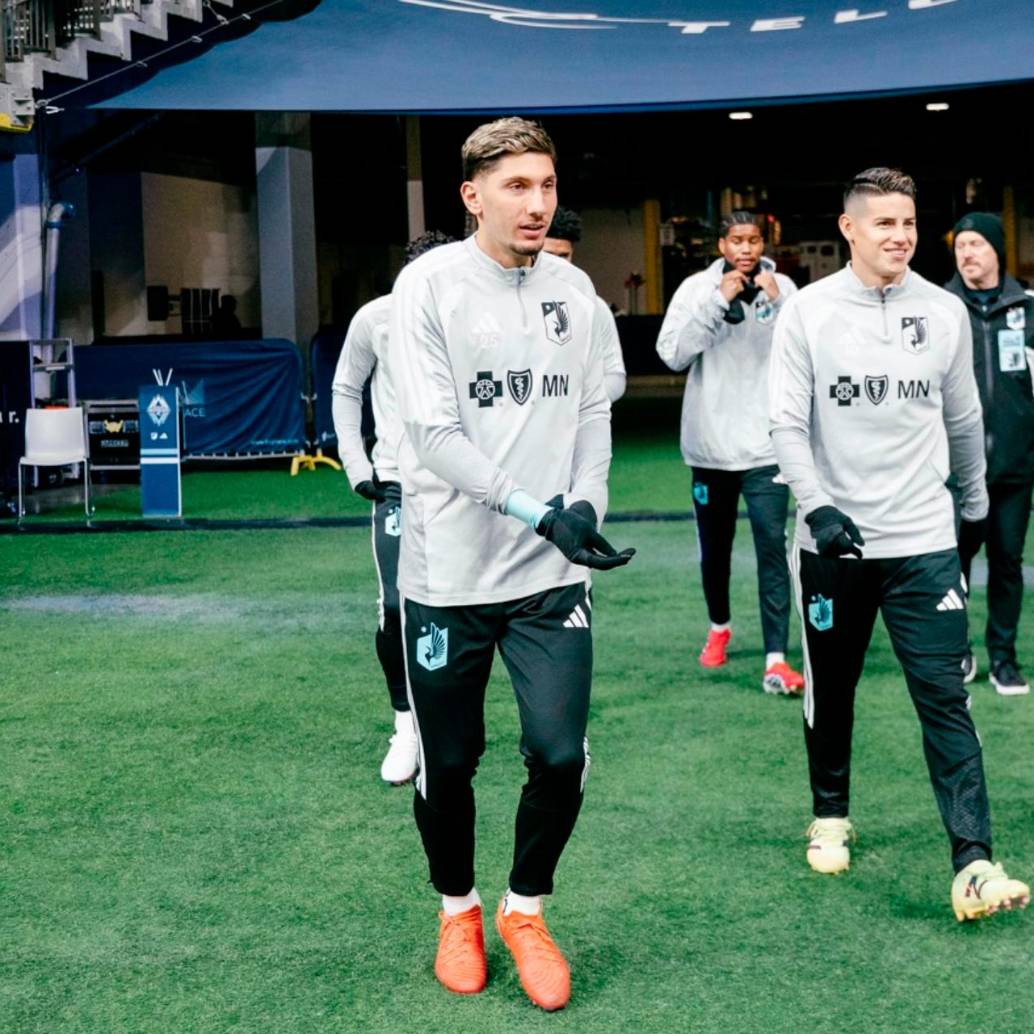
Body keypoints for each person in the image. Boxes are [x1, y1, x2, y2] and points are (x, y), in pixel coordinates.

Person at [389, 117, 634, 1011]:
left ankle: (524, 910)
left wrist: (585, 505)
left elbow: (594, 409)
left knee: (561, 756)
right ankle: (456, 909)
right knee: (449, 765)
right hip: (448, 575)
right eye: (516, 186)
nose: (537, 204)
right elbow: (434, 435)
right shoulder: (428, 288)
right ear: (472, 196)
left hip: (549, 579)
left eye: (546, 185)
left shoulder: (576, 290)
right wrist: (538, 511)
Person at [769, 167, 1029, 921]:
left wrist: (972, 505)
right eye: (884, 222)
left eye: (909, 222)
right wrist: (818, 508)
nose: (900, 235)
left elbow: (963, 418)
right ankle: (830, 813)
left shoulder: (943, 312)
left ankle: (974, 862)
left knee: (946, 697)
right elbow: (786, 423)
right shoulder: (808, 312)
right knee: (833, 688)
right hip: (834, 545)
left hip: (922, 541)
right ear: (848, 229)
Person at [655, 211, 804, 695]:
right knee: (714, 550)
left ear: (763, 244)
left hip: (766, 447)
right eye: (736, 240)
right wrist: (718, 302)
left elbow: (808, 350)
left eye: (753, 240)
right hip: (711, 448)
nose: (745, 248)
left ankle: (776, 657)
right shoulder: (696, 289)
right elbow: (672, 354)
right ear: (722, 245)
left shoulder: (783, 288)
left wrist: (779, 303)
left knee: (772, 549)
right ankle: (719, 627)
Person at [331, 231, 456, 785]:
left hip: (463, 488)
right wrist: (357, 465)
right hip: (399, 486)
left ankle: (445, 720)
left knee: (469, 606)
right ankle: (405, 725)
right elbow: (345, 388)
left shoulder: (471, 317)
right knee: (395, 605)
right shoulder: (377, 319)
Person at [944, 212, 1034, 696]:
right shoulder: (940, 309)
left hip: (1015, 469)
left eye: (976, 244)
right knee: (952, 565)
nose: (967, 253)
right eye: (961, 246)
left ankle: (1004, 658)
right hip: (956, 472)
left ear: (996, 249)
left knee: (1007, 564)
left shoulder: (1028, 309)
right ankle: (957, 650)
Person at [543, 206, 627, 402]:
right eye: (548, 255)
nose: (558, 264)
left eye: (563, 256)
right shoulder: (511, 303)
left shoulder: (593, 306)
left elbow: (614, 376)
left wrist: (574, 406)